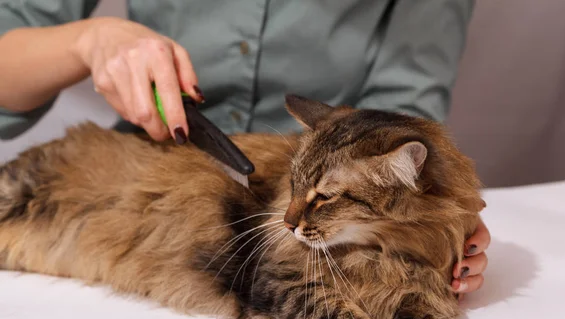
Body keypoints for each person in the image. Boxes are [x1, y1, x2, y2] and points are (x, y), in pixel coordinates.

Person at [0, 0, 489, 296]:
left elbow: (404, 116)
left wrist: (427, 215)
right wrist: (90, 39)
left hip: (326, 224)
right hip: (135, 188)